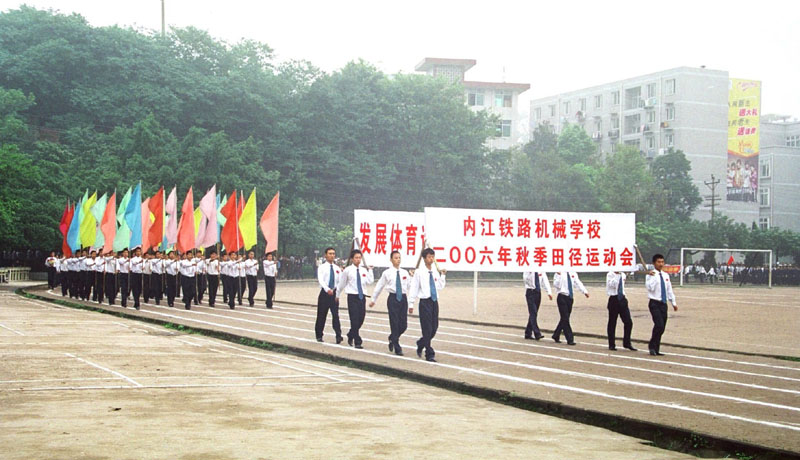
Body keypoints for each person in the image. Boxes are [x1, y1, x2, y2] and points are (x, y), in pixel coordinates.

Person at [409, 248, 446, 362]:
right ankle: (429, 353)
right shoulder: (419, 272)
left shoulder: (434, 271)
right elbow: (414, 287)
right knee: (427, 328)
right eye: (429, 257)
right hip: (424, 302)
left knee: (434, 328)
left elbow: (440, 286)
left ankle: (421, 343)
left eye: (432, 256)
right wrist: (411, 303)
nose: (431, 259)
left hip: (434, 301)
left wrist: (443, 275)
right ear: (424, 258)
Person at [370, 250, 411, 355]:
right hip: (393, 299)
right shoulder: (387, 273)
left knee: (403, 325)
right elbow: (379, 286)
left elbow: (411, 286)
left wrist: (412, 302)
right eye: (396, 258)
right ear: (391, 260)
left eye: (399, 258)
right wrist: (373, 299)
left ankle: (392, 337)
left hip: (403, 298)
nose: (398, 260)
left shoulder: (405, 273)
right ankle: (397, 346)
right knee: (394, 322)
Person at [338, 249, 374, 349]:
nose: (358, 260)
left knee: (361, 318)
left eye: (359, 258)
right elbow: (342, 284)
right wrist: (337, 295)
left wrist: (370, 270)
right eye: (356, 258)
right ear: (352, 259)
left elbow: (370, 281)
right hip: (352, 296)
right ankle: (357, 341)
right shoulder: (347, 270)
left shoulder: (363, 270)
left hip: (362, 297)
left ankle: (351, 334)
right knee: (354, 319)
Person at [646, 253, 678, 356]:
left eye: (662, 262)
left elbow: (669, 290)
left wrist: (673, 302)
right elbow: (650, 288)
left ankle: (656, 348)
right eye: (659, 262)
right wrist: (654, 277)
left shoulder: (666, 275)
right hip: (654, 303)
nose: (661, 264)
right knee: (658, 324)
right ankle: (652, 346)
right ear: (654, 263)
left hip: (663, 304)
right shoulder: (650, 275)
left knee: (662, 327)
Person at [551, 271, 589, 345]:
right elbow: (556, 285)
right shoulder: (558, 273)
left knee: (565, 318)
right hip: (562, 296)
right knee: (565, 318)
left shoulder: (573, 273)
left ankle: (556, 334)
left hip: (570, 298)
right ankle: (570, 338)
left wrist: (584, 291)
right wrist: (559, 276)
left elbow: (577, 283)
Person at [315, 247, 343, 343]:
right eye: (330, 253)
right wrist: (327, 289)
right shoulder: (322, 267)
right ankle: (319, 334)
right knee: (322, 315)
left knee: (335, 315)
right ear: (325, 255)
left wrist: (337, 292)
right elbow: (321, 280)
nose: (332, 255)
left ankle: (338, 335)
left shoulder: (337, 268)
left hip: (334, 293)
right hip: (324, 293)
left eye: (333, 254)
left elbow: (340, 281)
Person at [606, 271, 636, 351]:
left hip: (622, 299)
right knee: (612, 322)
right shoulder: (610, 274)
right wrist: (616, 275)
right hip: (613, 299)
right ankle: (611, 344)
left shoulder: (623, 274)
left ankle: (627, 342)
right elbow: (612, 285)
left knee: (628, 322)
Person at [522, 271, 552, 340]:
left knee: (534, 313)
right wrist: (530, 273)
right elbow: (525, 279)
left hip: (538, 293)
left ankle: (528, 333)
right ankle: (537, 333)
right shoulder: (527, 270)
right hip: (530, 292)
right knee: (533, 312)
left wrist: (549, 292)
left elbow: (545, 281)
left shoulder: (541, 270)